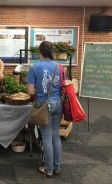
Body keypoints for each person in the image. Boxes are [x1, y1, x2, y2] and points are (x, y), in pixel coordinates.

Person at [26, 41, 64, 178]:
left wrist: (40, 89)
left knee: (46, 137)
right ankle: (57, 167)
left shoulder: (34, 67)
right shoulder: (59, 66)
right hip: (58, 103)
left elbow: (30, 91)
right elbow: (63, 86)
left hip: (44, 105)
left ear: (39, 52)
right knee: (56, 136)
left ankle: (48, 169)